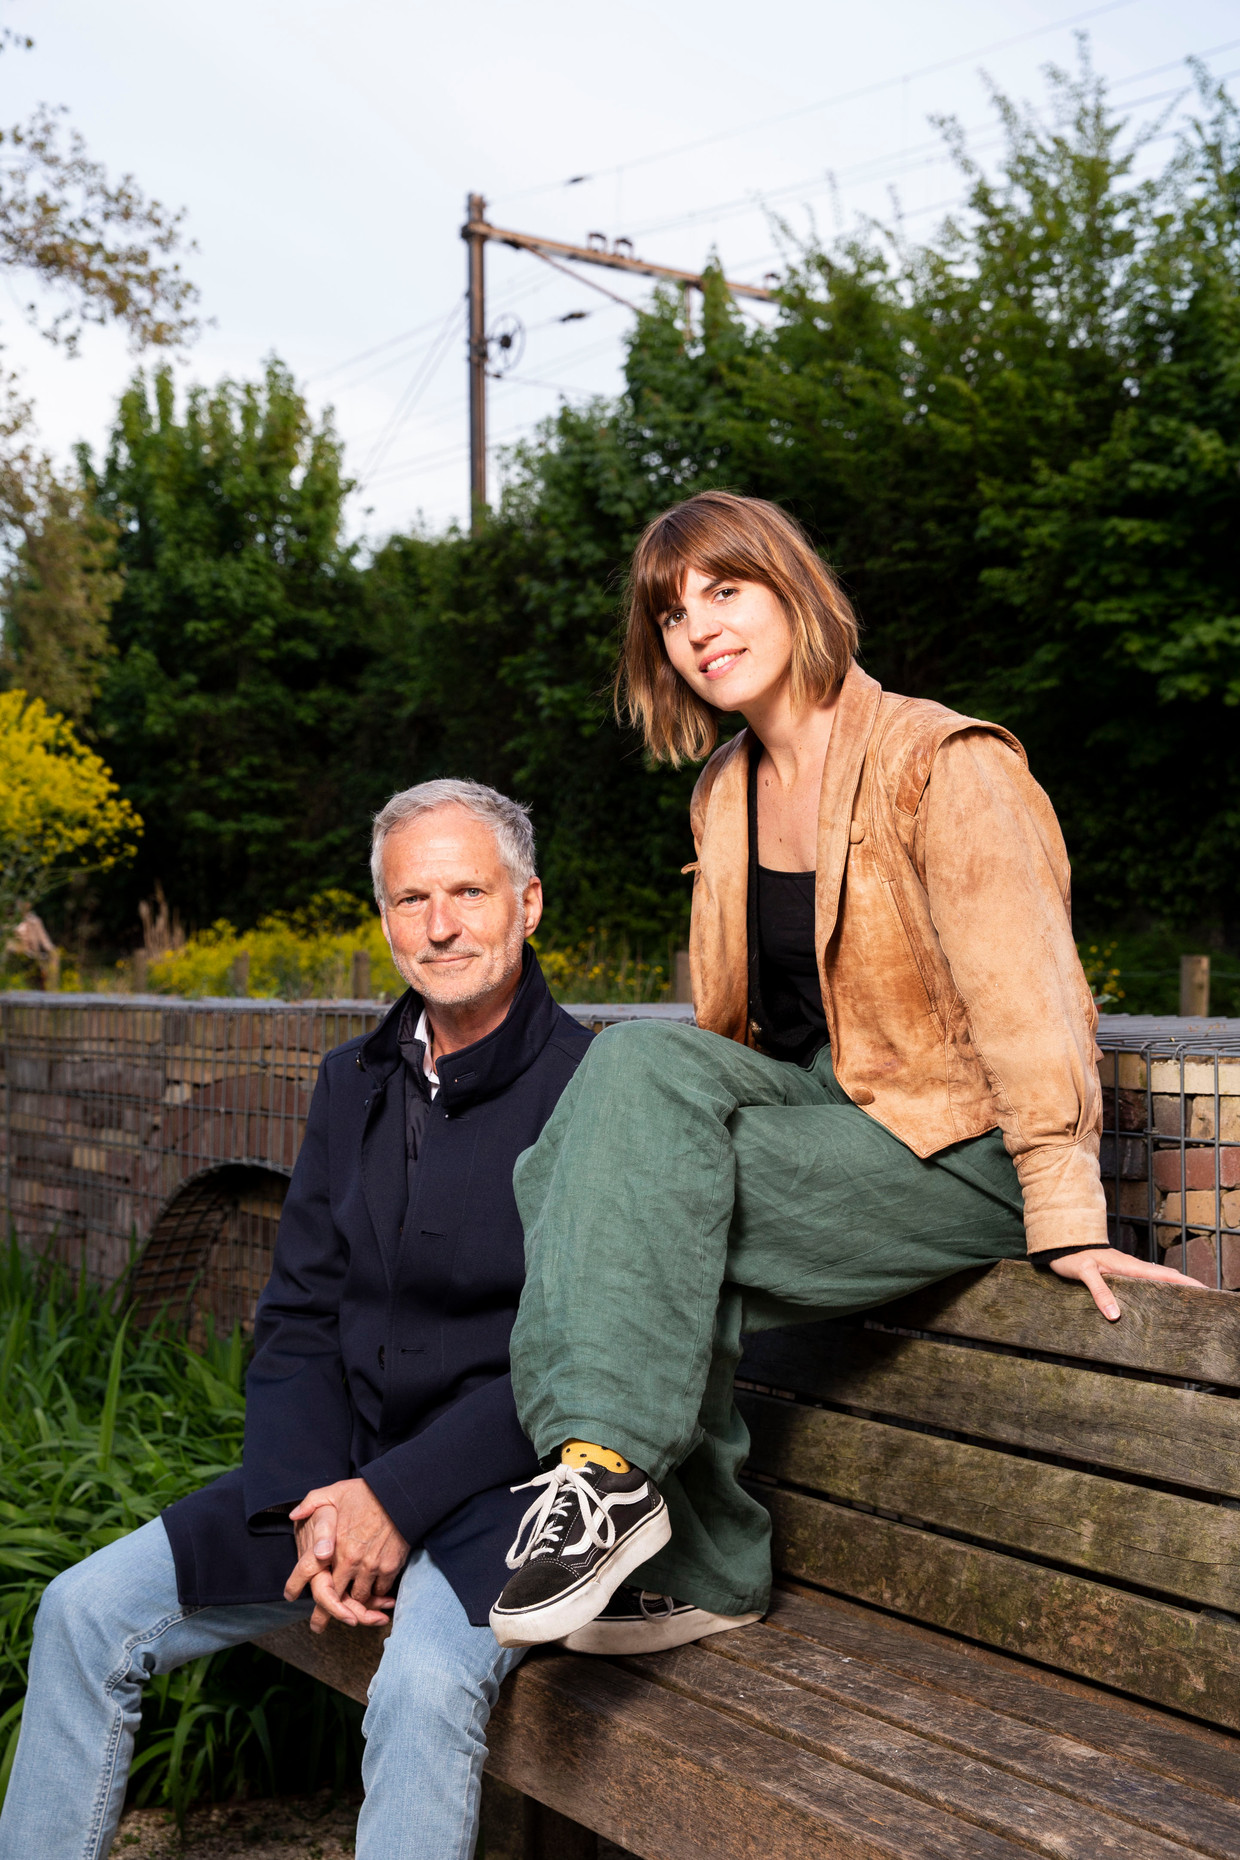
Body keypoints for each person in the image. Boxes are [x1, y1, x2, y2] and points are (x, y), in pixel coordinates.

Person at [489, 491, 1201, 1651]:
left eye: (725, 591)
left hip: (959, 1144)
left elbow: (1032, 999)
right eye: (671, 615)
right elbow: (726, 1034)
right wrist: (635, 1156)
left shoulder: (944, 761)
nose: (699, 629)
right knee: (626, 1090)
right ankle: (632, 1501)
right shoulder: (726, 788)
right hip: (829, 1110)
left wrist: (1062, 1208)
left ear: (792, 590)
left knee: (620, 1209)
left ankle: (652, 1515)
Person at [3, 779, 657, 1860]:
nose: (439, 925)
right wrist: (317, 1500)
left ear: (528, 904)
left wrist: (391, 1502)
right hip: (337, 1472)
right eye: (410, 899)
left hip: (514, 1497)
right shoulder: (349, 1081)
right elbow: (299, 1311)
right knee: (79, 1612)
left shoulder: (596, 1094)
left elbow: (575, 1362)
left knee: (423, 1684)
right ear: (386, 919)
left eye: (467, 891)